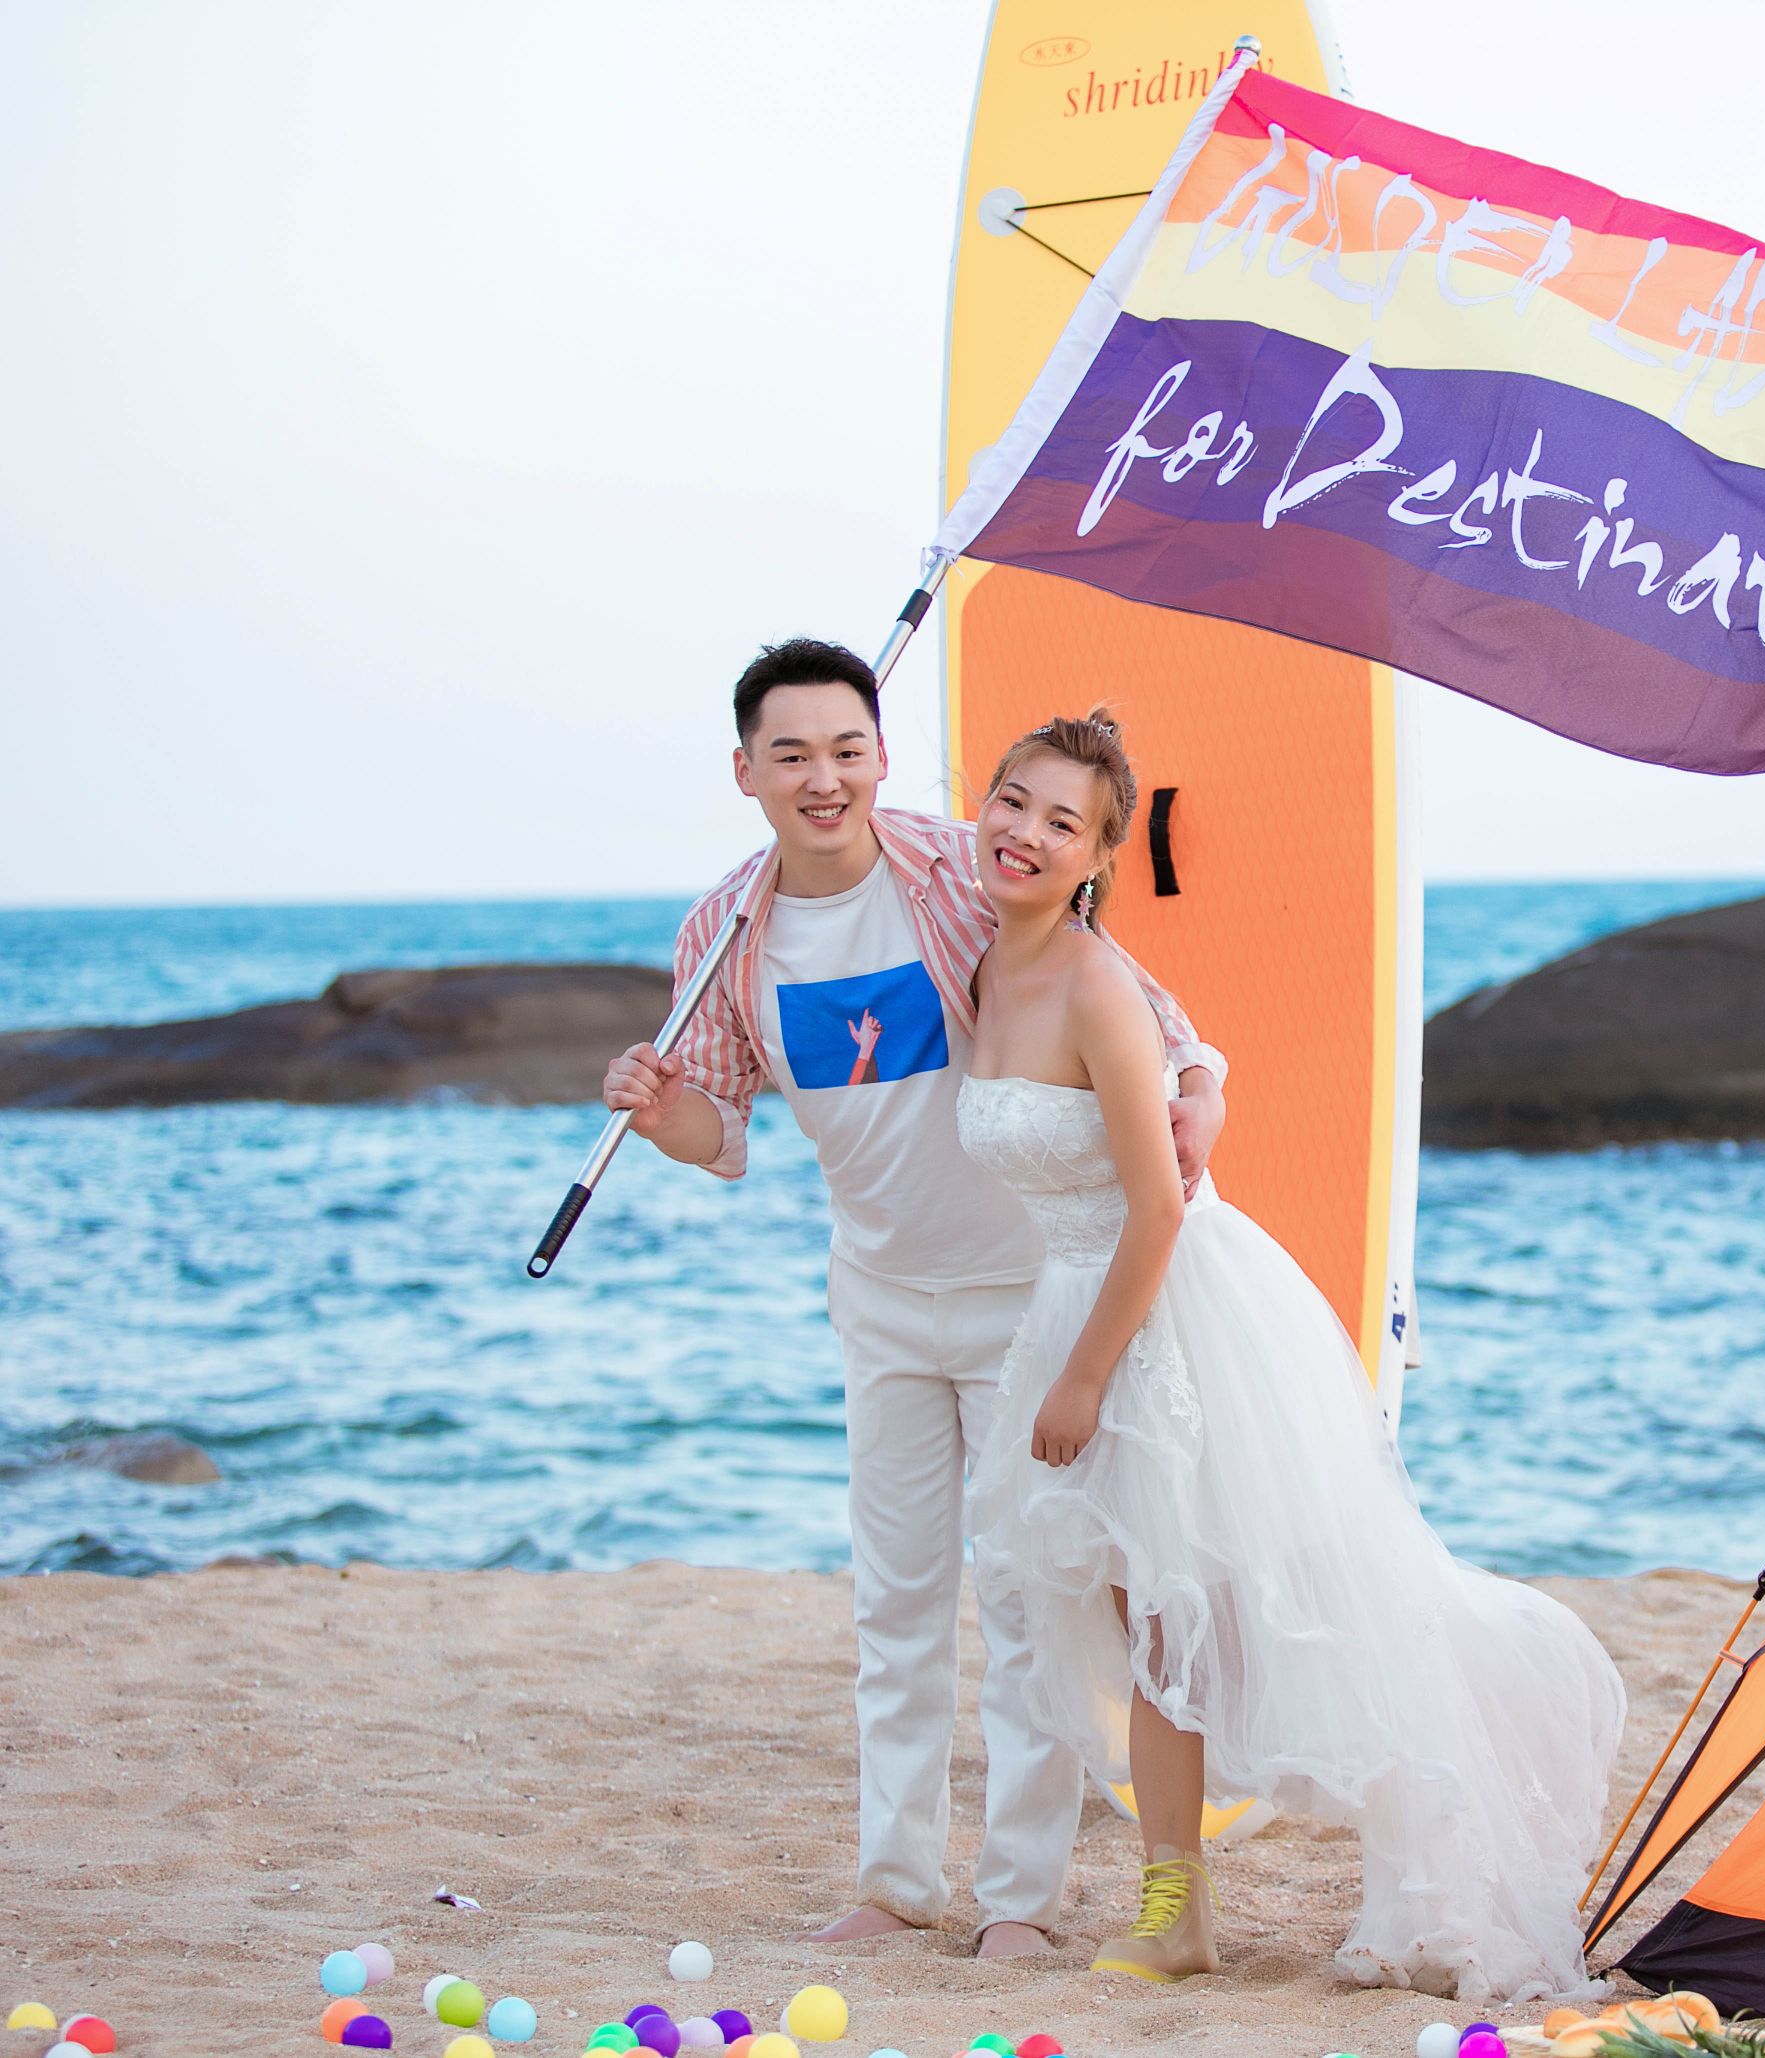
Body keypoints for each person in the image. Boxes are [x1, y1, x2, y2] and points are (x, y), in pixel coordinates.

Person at [955, 709, 1625, 2005]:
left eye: (1062, 822)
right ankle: (1178, 1899)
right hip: (1072, 1294)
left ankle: (1186, 1905)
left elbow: (1158, 1208)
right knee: (1143, 1611)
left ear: (1098, 856)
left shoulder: (1095, 985)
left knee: (1194, 1610)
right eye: (1013, 802)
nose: (1026, 833)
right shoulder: (987, 964)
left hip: (1164, 1309)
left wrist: (1084, 1375)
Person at [598, 639, 1232, 1959]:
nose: (822, 778)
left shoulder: (961, 868)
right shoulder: (723, 933)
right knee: (893, 1604)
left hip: (1022, 1298)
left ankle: (1021, 1901)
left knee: (1027, 1608)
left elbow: (1152, 1018)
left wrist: (1205, 1092)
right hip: (879, 1299)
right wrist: (662, 1115)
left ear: (883, 757)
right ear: (746, 771)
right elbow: (722, 1132)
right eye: (791, 755)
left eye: (847, 749)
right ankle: (895, 1885)